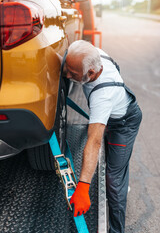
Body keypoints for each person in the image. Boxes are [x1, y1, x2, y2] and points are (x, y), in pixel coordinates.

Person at [63, 40, 142, 233]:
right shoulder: (93, 54)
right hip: (112, 110)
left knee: (114, 181)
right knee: (115, 168)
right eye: (67, 68)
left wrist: (83, 187)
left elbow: (94, 141)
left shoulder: (103, 96)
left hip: (124, 124)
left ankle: (117, 229)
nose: (66, 74)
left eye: (72, 74)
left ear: (90, 73)